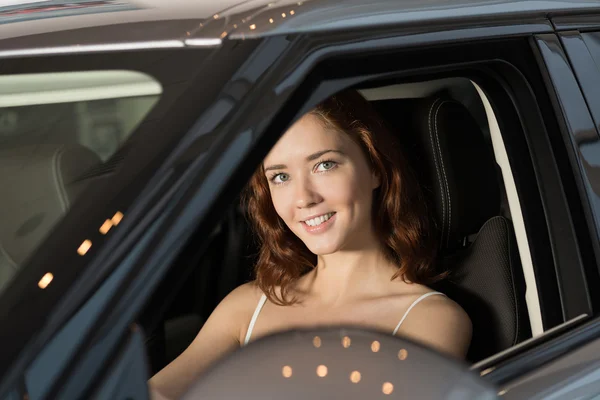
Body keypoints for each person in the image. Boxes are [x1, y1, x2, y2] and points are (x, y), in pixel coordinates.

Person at [149, 90, 472, 399]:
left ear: (375, 168)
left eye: (324, 165)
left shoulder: (430, 319)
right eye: (280, 177)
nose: (303, 198)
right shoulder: (248, 306)